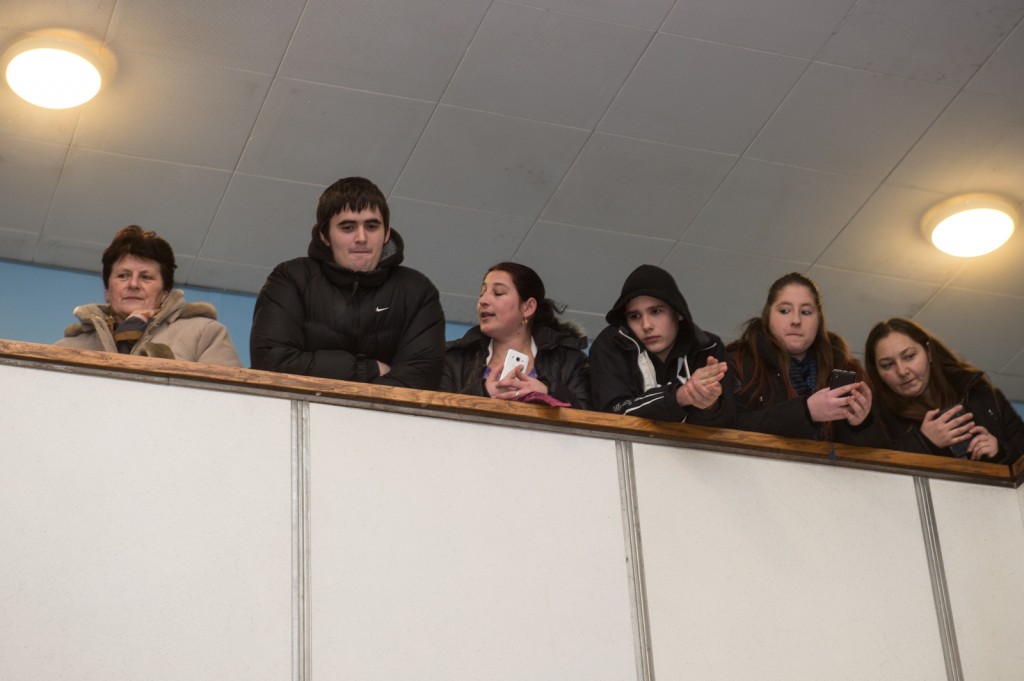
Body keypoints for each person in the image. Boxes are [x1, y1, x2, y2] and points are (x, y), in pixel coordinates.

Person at [250, 176, 445, 389]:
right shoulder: (291, 278)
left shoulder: (417, 291)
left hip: (386, 412)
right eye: (348, 227)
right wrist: (367, 369)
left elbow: (421, 380)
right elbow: (271, 363)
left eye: (372, 226)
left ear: (386, 233)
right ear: (324, 235)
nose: (361, 238)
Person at [55, 225, 241, 366]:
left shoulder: (205, 335)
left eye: (146, 277)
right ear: (107, 290)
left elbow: (227, 400)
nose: (133, 284)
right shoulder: (68, 348)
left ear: (165, 293)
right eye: (123, 276)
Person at [727, 272, 877, 444]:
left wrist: (859, 425)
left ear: (819, 320)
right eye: (784, 311)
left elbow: (880, 450)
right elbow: (729, 426)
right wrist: (806, 412)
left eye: (806, 312)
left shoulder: (846, 369)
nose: (796, 320)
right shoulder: (739, 362)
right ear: (768, 317)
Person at [589, 264, 733, 425]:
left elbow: (730, 423)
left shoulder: (708, 347)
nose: (646, 325)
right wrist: (680, 396)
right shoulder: (612, 345)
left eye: (656, 312)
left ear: (678, 312)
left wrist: (710, 405)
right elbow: (612, 414)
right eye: (635, 316)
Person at [865, 318, 1024, 464]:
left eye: (909, 356)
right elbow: (873, 474)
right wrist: (924, 442)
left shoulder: (981, 394)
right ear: (877, 372)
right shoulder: (875, 417)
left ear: (928, 352)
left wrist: (1000, 452)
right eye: (887, 365)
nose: (902, 371)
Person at [441, 262, 590, 408]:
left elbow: (588, 417)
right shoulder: (453, 358)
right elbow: (435, 413)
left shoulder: (570, 361)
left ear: (528, 307)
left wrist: (549, 391)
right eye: (482, 293)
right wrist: (483, 392)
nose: (482, 300)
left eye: (498, 293)